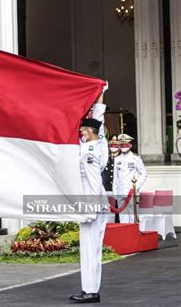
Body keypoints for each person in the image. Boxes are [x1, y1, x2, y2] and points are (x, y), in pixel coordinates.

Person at [69, 92, 108, 304]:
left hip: (92, 203)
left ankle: (91, 291)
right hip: (92, 202)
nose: (81, 133)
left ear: (89, 132)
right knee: (91, 248)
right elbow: (98, 120)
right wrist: (99, 94)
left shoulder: (90, 151)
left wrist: (89, 208)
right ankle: (90, 289)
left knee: (90, 249)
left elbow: (93, 181)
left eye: (83, 130)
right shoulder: (97, 143)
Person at [112, 134, 147, 223]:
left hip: (131, 192)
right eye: (121, 145)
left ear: (130, 145)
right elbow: (115, 177)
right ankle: (125, 236)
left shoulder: (135, 158)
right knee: (122, 218)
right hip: (120, 191)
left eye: (125, 144)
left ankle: (134, 235)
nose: (123, 147)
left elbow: (144, 173)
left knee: (133, 217)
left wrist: (136, 187)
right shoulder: (117, 159)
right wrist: (115, 191)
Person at [103, 135, 121, 222]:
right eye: (112, 145)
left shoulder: (122, 159)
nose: (113, 147)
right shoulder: (105, 159)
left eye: (116, 145)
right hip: (106, 189)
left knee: (119, 213)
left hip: (118, 190)